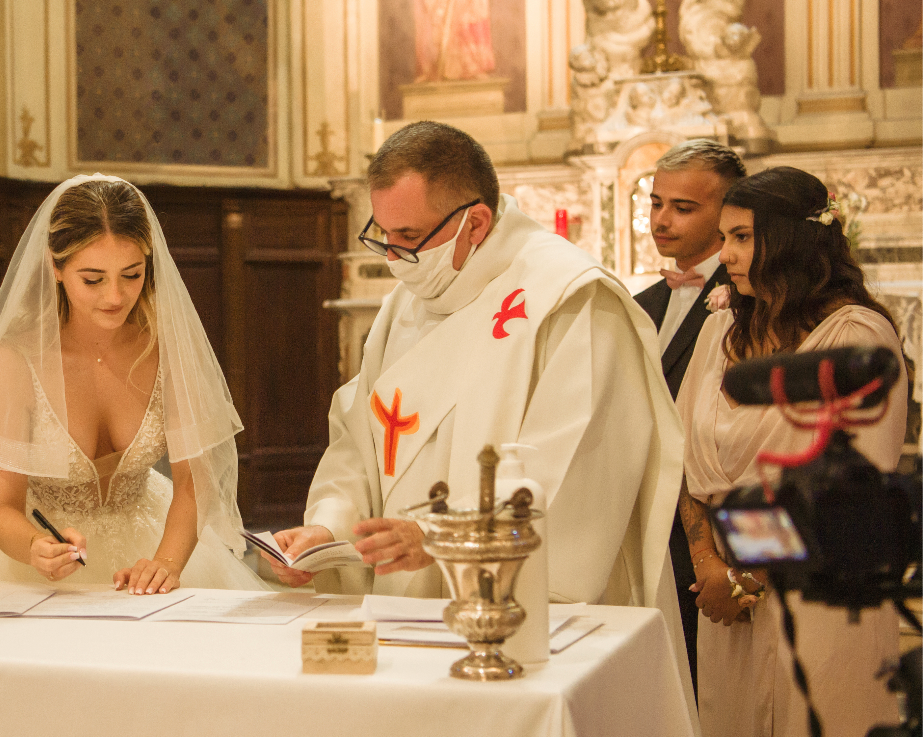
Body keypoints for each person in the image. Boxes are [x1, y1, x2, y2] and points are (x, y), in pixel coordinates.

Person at [270, 123, 685, 635]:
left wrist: (442, 536)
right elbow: (362, 439)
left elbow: (573, 469)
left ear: (477, 221)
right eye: (383, 235)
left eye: (409, 237)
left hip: (520, 610)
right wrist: (329, 528)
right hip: (404, 596)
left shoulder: (570, 300)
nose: (394, 258)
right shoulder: (410, 298)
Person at [0, 175, 264, 593]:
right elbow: (0, 508)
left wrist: (166, 561)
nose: (114, 296)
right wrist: (36, 545)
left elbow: (193, 479)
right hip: (30, 568)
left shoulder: (166, 349)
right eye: (93, 279)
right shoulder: (15, 360)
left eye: (132, 274)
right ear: (55, 268)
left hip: (156, 543)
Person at [677, 166, 907, 737]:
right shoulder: (720, 328)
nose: (724, 254)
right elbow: (685, 464)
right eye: (725, 237)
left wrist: (746, 580)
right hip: (726, 600)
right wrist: (710, 565)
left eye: (742, 237)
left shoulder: (856, 337)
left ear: (792, 239)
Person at [634, 138, 746, 692]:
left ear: (728, 214)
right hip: (645, 524)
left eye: (682, 207)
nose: (661, 219)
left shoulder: (748, 297)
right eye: (656, 203)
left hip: (711, 530)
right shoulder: (641, 303)